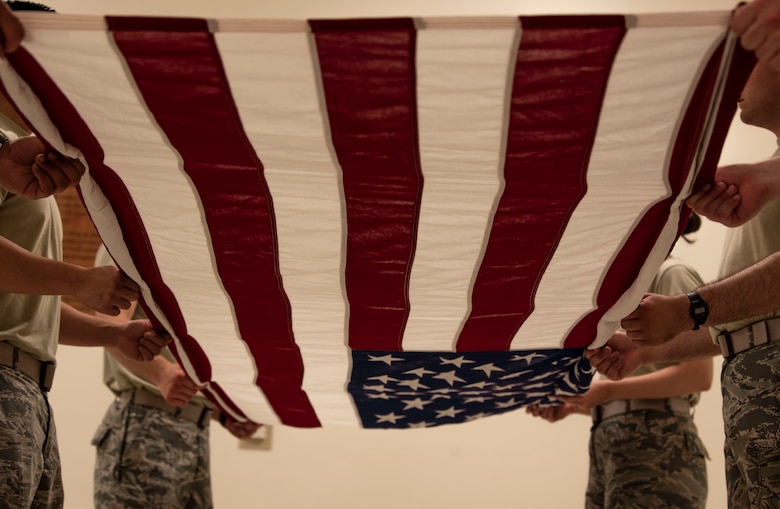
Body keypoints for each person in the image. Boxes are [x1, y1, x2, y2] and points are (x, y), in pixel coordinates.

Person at [587, 58, 780, 508]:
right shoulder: (767, 177)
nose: (732, 80)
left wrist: (688, 308)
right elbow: (748, 323)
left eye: (748, 58)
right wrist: (645, 350)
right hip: (751, 394)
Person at [527, 221, 712, 509]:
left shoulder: (673, 275)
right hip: (614, 445)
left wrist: (607, 393)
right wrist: (573, 405)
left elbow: (698, 376)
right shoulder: (625, 295)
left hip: (658, 445)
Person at [92, 245, 261, 509]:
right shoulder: (126, 236)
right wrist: (161, 372)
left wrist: (223, 412)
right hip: (144, 424)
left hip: (196, 433)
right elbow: (109, 325)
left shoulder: (193, 247)